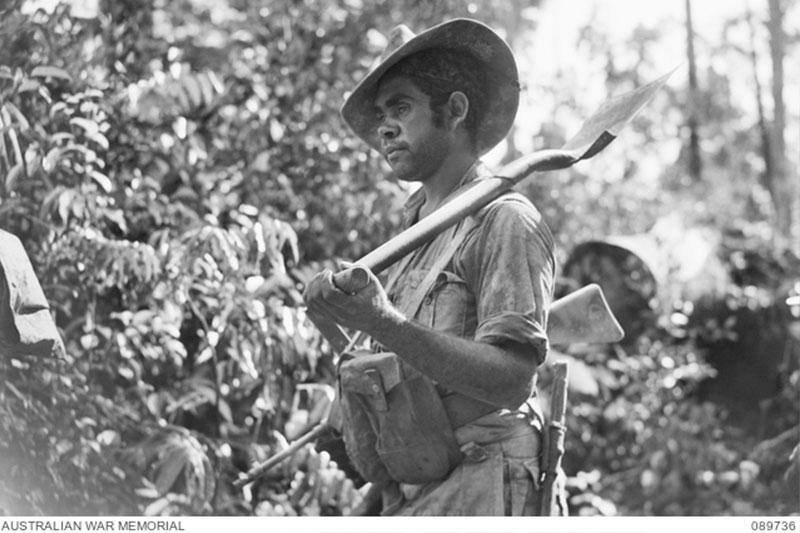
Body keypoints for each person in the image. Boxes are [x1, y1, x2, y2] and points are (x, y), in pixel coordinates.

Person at [303, 18, 558, 516]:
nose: (385, 127)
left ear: (455, 110)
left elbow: (512, 380)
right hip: (417, 484)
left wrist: (383, 322)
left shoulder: (503, 219)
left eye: (401, 106)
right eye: (380, 114)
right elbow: (410, 378)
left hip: (484, 481)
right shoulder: (411, 233)